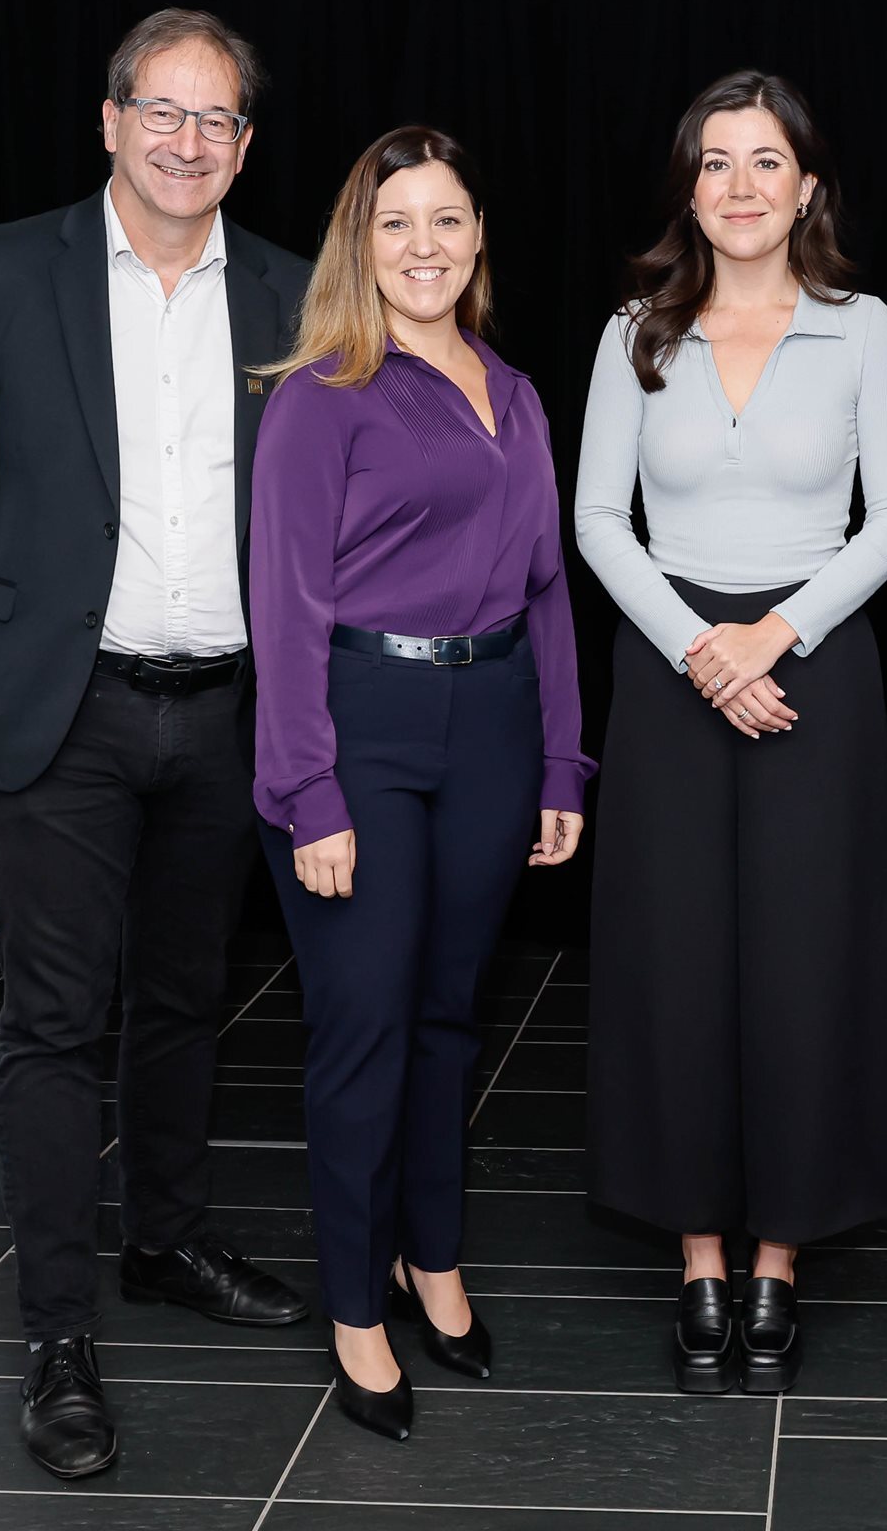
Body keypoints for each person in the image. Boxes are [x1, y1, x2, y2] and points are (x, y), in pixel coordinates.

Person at [0, 8, 310, 1480]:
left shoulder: (285, 291)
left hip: (227, 708)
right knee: (55, 1022)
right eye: (164, 111)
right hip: (67, 710)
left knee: (190, 1000)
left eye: (217, 122)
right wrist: (29, 628)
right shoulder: (7, 269)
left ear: (245, 146)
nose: (188, 142)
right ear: (110, 120)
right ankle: (57, 1329)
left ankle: (171, 1241)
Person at [576, 69, 887, 1396]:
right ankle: (700, 1260)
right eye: (716, 162)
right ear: (689, 187)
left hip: (813, 675)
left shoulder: (864, 330)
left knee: (803, 966)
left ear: (808, 185)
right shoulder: (634, 332)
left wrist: (770, 639)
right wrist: (698, 651)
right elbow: (598, 520)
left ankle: (780, 1260)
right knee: (673, 968)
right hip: (669, 672)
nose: (740, 186)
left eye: (765, 161)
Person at [250, 125, 592, 1442]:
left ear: (480, 236)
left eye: (447, 219)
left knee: (453, 1014)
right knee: (364, 1025)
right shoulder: (321, 395)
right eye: (398, 223)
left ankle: (429, 1258)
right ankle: (354, 1301)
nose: (425, 246)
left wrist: (565, 759)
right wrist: (307, 790)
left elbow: (549, 594)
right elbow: (283, 604)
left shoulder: (514, 392)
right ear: (362, 242)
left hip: (497, 722)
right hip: (363, 722)